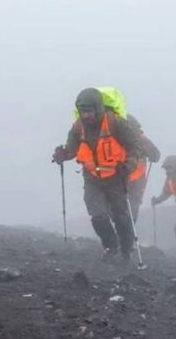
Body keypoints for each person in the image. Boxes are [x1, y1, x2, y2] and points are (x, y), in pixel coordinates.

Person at [52, 88, 143, 264]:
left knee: (121, 216)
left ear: (98, 108)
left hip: (116, 176)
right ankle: (110, 247)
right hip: (92, 177)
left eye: (89, 111)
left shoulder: (115, 123)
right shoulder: (78, 127)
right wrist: (62, 155)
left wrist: (129, 165)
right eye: (83, 111)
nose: (86, 115)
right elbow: (71, 149)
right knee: (97, 215)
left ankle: (126, 250)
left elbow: (134, 146)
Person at [124, 115, 160, 222]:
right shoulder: (140, 139)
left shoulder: (142, 140)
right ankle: (127, 228)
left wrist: (151, 154)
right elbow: (155, 156)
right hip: (126, 178)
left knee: (132, 207)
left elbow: (155, 155)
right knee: (128, 207)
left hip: (135, 179)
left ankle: (129, 229)